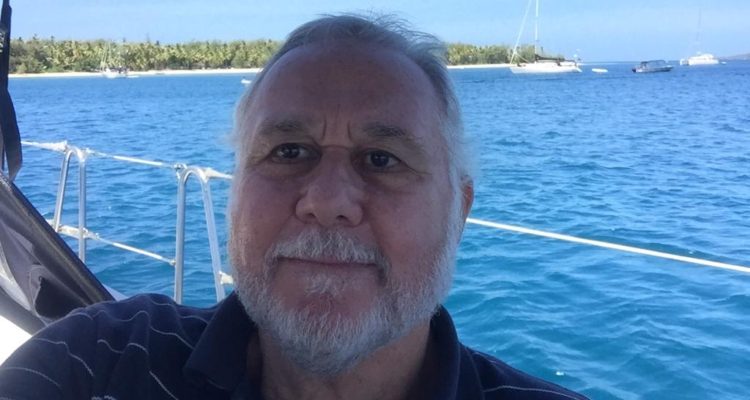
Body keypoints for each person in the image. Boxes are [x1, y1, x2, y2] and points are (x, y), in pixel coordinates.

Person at [0, 14, 588, 400]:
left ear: (458, 213)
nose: (327, 202)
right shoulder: (98, 361)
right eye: (288, 151)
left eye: (382, 159)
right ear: (235, 191)